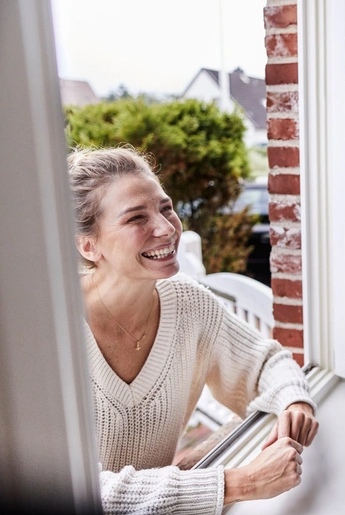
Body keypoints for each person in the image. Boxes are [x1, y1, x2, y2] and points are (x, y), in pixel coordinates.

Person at [67, 146, 318, 514]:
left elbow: (264, 362)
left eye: (165, 207)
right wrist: (240, 482)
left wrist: (294, 400)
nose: (167, 228)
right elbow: (72, 488)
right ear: (88, 245)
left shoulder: (187, 302)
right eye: (137, 218)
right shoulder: (49, 332)